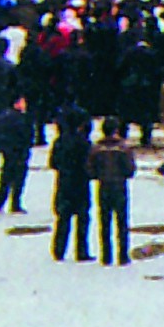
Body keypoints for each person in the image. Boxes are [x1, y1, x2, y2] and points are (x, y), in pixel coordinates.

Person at [91, 117, 136, 267]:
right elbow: (130, 169)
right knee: (122, 221)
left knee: (104, 221)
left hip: (103, 186)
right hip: (119, 186)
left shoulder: (96, 148)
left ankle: (106, 255)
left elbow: (90, 169)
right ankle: (123, 255)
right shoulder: (123, 148)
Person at [50, 112, 93, 263]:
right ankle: (81, 251)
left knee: (63, 217)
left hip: (64, 182)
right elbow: (90, 165)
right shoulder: (85, 143)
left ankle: (58, 249)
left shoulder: (59, 141)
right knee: (82, 218)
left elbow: (53, 163)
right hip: (80, 183)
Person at [0, 96, 33, 212]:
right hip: (19, 152)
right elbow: (27, 136)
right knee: (18, 179)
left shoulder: (3, 116)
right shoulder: (22, 119)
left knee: (5, 177)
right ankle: (15, 203)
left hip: (8, 152)